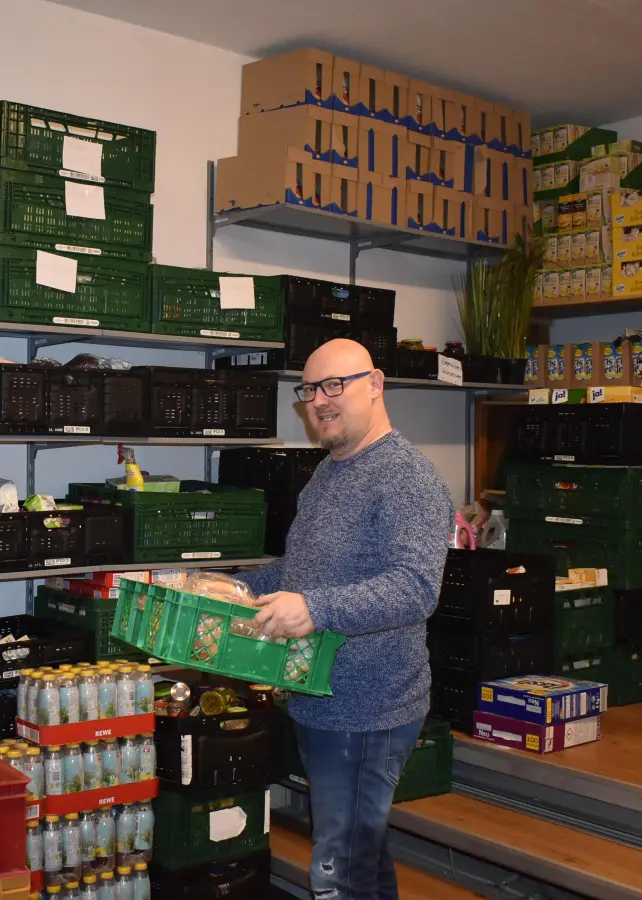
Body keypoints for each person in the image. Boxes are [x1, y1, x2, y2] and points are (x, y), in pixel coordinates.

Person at [240, 338, 452, 900]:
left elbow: (413, 589)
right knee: (361, 855)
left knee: (338, 870)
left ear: (376, 384)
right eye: (310, 390)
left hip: (371, 708)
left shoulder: (407, 477)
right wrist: (232, 589)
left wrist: (313, 610)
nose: (321, 401)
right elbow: (300, 568)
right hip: (320, 698)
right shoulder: (329, 472)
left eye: (336, 385)